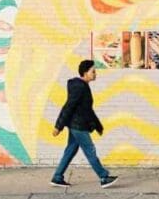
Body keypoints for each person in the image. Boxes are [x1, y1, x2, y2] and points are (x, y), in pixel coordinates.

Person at [50, 60, 118, 188]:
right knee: (90, 150)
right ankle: (103, 177)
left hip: (76, 124)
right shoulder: (80, 87)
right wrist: (58, 126)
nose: (95, 74)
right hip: (78, 126)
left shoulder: (82, 86)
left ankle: (57, 177)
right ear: (85, 73)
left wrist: (98, 126)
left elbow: (87, 109)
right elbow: (68, 106)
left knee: (70, 150)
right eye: (93, 71)